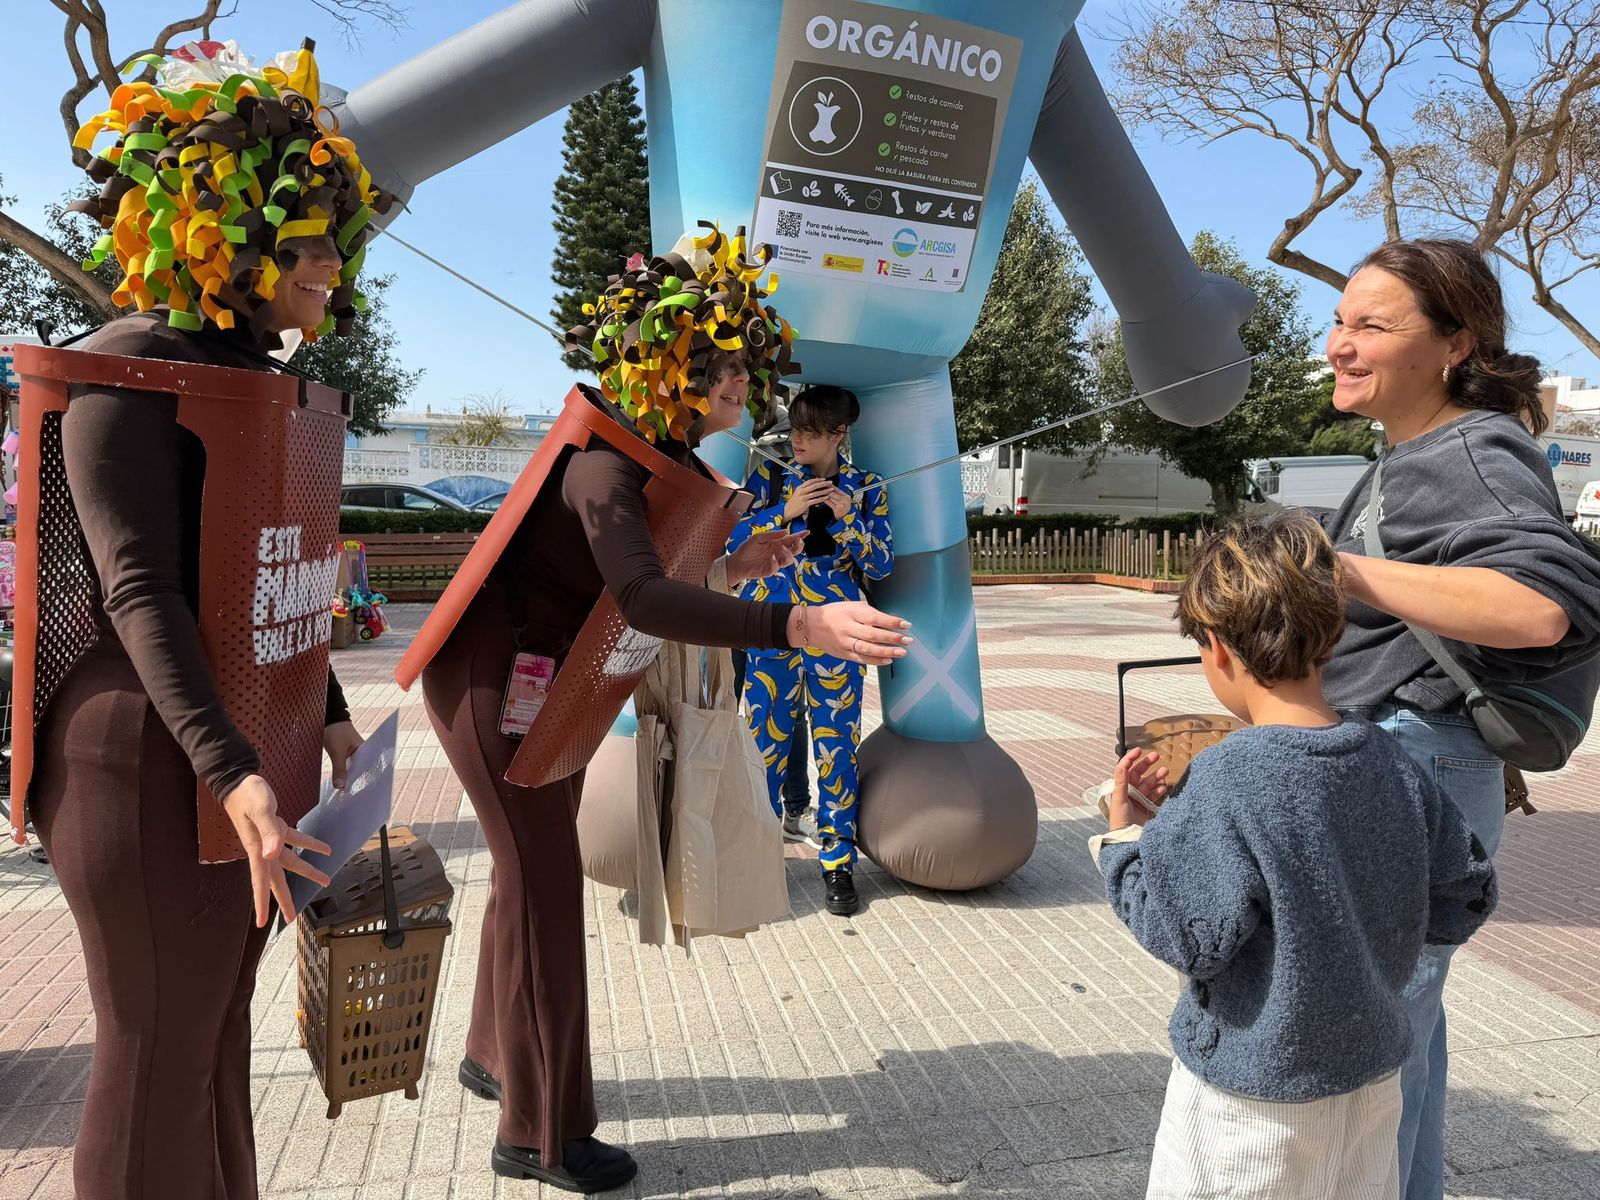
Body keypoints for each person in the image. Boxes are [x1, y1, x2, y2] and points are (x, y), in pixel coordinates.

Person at [411, 230, 913, 1191]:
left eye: (746, 367)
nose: (742, 388)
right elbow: (641, 599)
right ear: (668, 360)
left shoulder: (650, 453)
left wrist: (735, 567)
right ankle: (540, 1135)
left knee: (527, 880)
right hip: (496, 689)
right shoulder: (605, 460)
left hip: (540, 685)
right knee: (545, 892)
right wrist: (797, 622)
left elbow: (646, 577)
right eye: (725, 366)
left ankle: (492, 1053)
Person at [21, 41, 380, 1199]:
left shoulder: (242, 375)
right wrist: (233, 770)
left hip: (220, 759)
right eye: (306, 238)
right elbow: (140, 592)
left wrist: (320, 712)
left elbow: (269, 565)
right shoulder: (123, 374)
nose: (331, 264)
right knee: (156, 1056)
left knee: (214, 1043)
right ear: (215, 229)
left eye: (337, 237)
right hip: (143, 760)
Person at [1092, 511, 1497, 1200]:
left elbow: (1186, 935)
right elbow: (1465, 894)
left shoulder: (1229, 775)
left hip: (1251, 1097)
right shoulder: (1393, 761)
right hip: (1371, 1084)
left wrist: (1127, 840)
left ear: (1217, 649)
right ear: (1330, 634)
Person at [1316, 239, 1600, 1199]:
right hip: (1417, 771)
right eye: (1340, 322)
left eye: (1372, 326)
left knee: (1374, 1054)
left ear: (1455, 344)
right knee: (1403, 1043)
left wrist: (1336, 572)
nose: (1339, 345)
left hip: (1410, 776)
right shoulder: (1416, 453)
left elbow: (1538, 605)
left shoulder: (1470, 448)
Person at [730, 384, 893, 917]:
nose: (796, 439)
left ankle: (837, 862)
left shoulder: (868, 487)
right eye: (794, 428)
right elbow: (732, 543)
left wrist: (849, 517)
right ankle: (756, 858)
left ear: (839, 434)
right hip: (771, 629)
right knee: (763, 746)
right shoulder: (771, 477)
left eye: (809, 431)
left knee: (835, 747)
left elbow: (883, 564)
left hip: (834, 637)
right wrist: (784, 510)